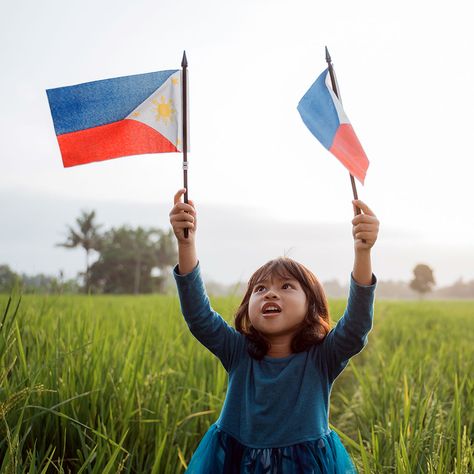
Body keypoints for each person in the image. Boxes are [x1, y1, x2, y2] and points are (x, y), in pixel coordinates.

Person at [169, 188, 379, 473]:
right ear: (248, 307)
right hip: (238, 461)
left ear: (312, 306)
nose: (270, 294)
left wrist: (363, 252)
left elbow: (355, 328)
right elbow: (199, 317)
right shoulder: (237, 351)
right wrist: (186, 245)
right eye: (260, 288)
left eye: (286, 287)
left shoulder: (321, 358)